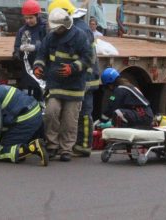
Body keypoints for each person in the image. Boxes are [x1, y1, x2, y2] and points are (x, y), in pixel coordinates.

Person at [33, 8, 93, 161]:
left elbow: (88, 58)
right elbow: (42, 54)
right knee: (51, 113)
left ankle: (66, 149)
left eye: (57, 27)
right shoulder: (51, 37)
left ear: (65, 25)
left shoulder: (80, 36)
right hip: (55, 83)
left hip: (74, 86)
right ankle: (52, 146)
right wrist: (38, 66)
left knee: (69, 120)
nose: (54, 30)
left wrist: (72, 68)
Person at [13, 0, 47, 102]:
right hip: (27, 72)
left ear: (37, 15)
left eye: (31, 18)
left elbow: (50, 46)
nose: (28, 20)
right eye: (26, 18)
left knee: (41, 98)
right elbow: (15, 50)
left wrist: (35, 47)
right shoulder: (22, 31)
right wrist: (19, 50)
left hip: (42, 70)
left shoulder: (45, 28)